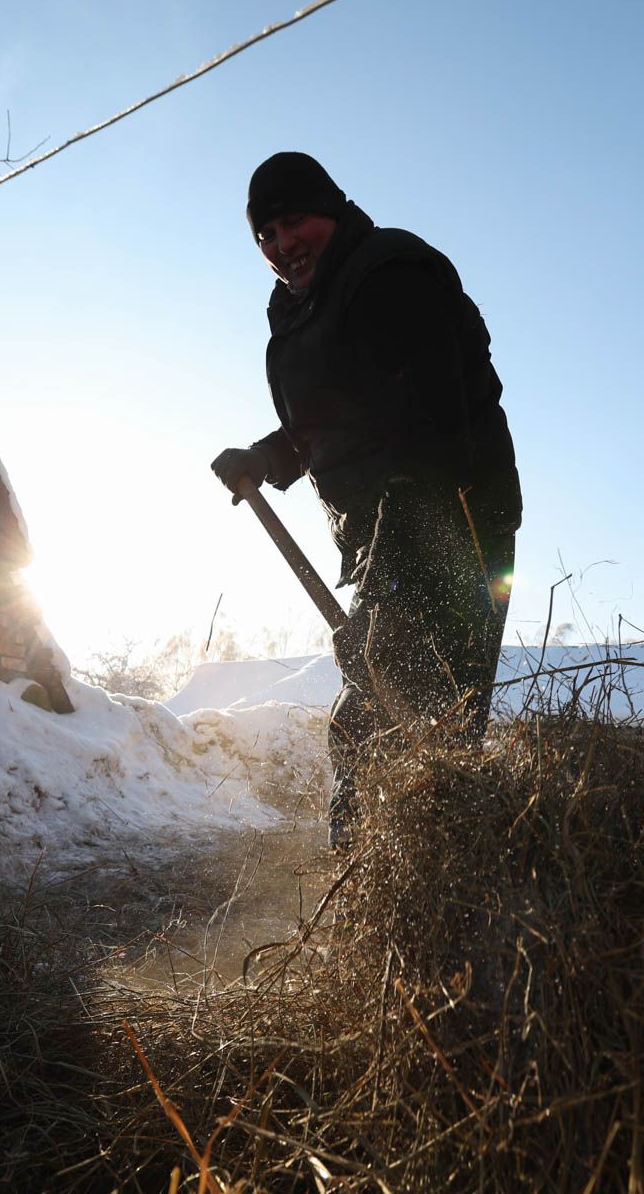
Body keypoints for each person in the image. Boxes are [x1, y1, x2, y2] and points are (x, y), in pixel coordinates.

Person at [211, 152, 521, 850]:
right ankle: (414, 884)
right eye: (265, 234)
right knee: (406, 719)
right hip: (383, 536)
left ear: (332, 209)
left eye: (295, 221)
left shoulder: (389, 272)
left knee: (393, 719)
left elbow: (432, 405)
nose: (281, 244)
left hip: (449, 522)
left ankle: (399, 888)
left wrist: (402, 542)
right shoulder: (304, 311)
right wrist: (265, 458)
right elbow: (329, 420)